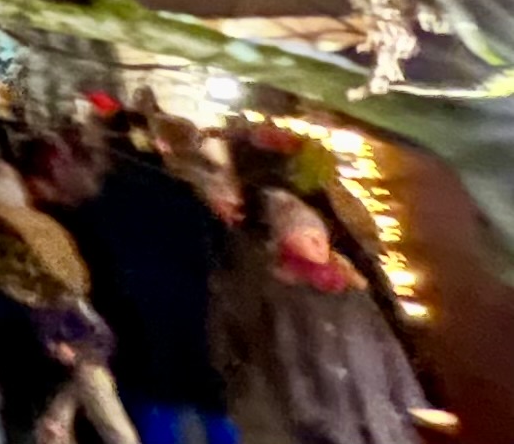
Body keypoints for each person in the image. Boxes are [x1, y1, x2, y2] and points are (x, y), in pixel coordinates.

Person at [64, 130, 227, 444]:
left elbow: (92, 279)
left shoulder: (98, 209)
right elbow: (219, 250)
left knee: (156, 413)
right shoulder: (187, 199)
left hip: (135, 335)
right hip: (193, 327)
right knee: (207, 409)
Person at [235, 188, 429, 444]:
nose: (318, 244)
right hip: (332, 423)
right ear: (288, 243)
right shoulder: (285, 297)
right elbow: (287, 358)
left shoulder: (353, 288)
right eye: (306, 237)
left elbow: (386, 345)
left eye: (319, 236)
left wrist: (409, 398)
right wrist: (310, 415)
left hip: (380, 417)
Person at [0, 161, 137, 444]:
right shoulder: (50, 227)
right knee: (114, 428)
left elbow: (5, 298)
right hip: (85, 341)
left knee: (53, 430)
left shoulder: (0, 234)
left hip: (45, 357)